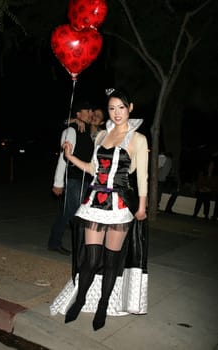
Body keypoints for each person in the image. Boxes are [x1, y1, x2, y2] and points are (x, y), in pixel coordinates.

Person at [50, 88, 149, 331]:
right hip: (95, 202)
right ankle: (81, 298)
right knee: (90, 259)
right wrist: (69, 156)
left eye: (121, 108)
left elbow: (143, 177)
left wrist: (142, 207)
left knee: (111, 260)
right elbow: (93, 168)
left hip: (120, 206)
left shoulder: (138, 139)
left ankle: (104, 304)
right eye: (112, 108)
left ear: (130, 108)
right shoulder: (102, 134)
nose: (116, 113)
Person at [47, 102, 94, 255]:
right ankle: (83, 248)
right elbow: (63, 157)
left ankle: (54, 242)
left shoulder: (87, 131)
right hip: (74, 179)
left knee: (67, 213)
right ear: (78, 114)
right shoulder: (72, 130)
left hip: (84, 179)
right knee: (77, 214)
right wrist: (58, 182)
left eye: (91, 110)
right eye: (87, 110)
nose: (90, 113)